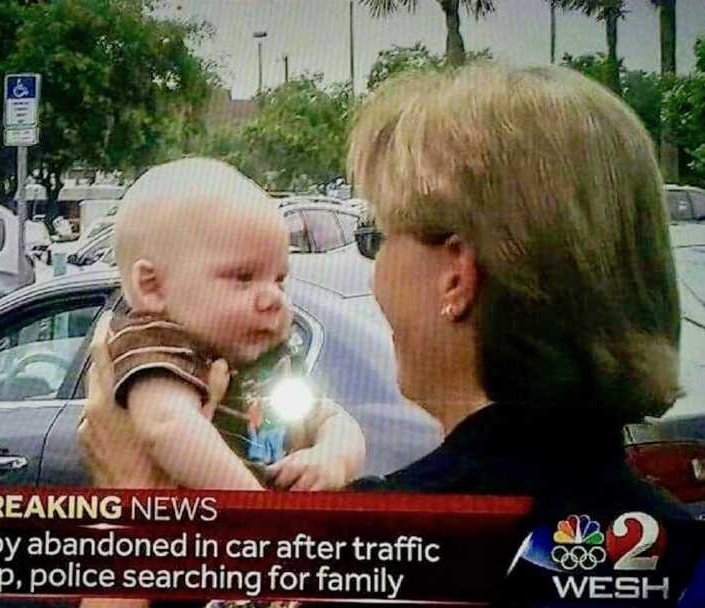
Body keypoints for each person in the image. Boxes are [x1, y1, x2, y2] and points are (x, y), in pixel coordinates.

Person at [346, 64, 696, 600]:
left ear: (456, 275)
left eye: (379, 235)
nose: (375, 274)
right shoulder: (684, 557)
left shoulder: (372, 557)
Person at [79, 157, 365, 495]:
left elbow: (333, 418)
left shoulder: (262, 357)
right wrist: (258, 510)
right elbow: (166, 426)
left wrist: (332, 459)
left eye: (279, 279)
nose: (272, 297)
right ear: (152, 287)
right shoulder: (153, 342)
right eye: (243, 277)